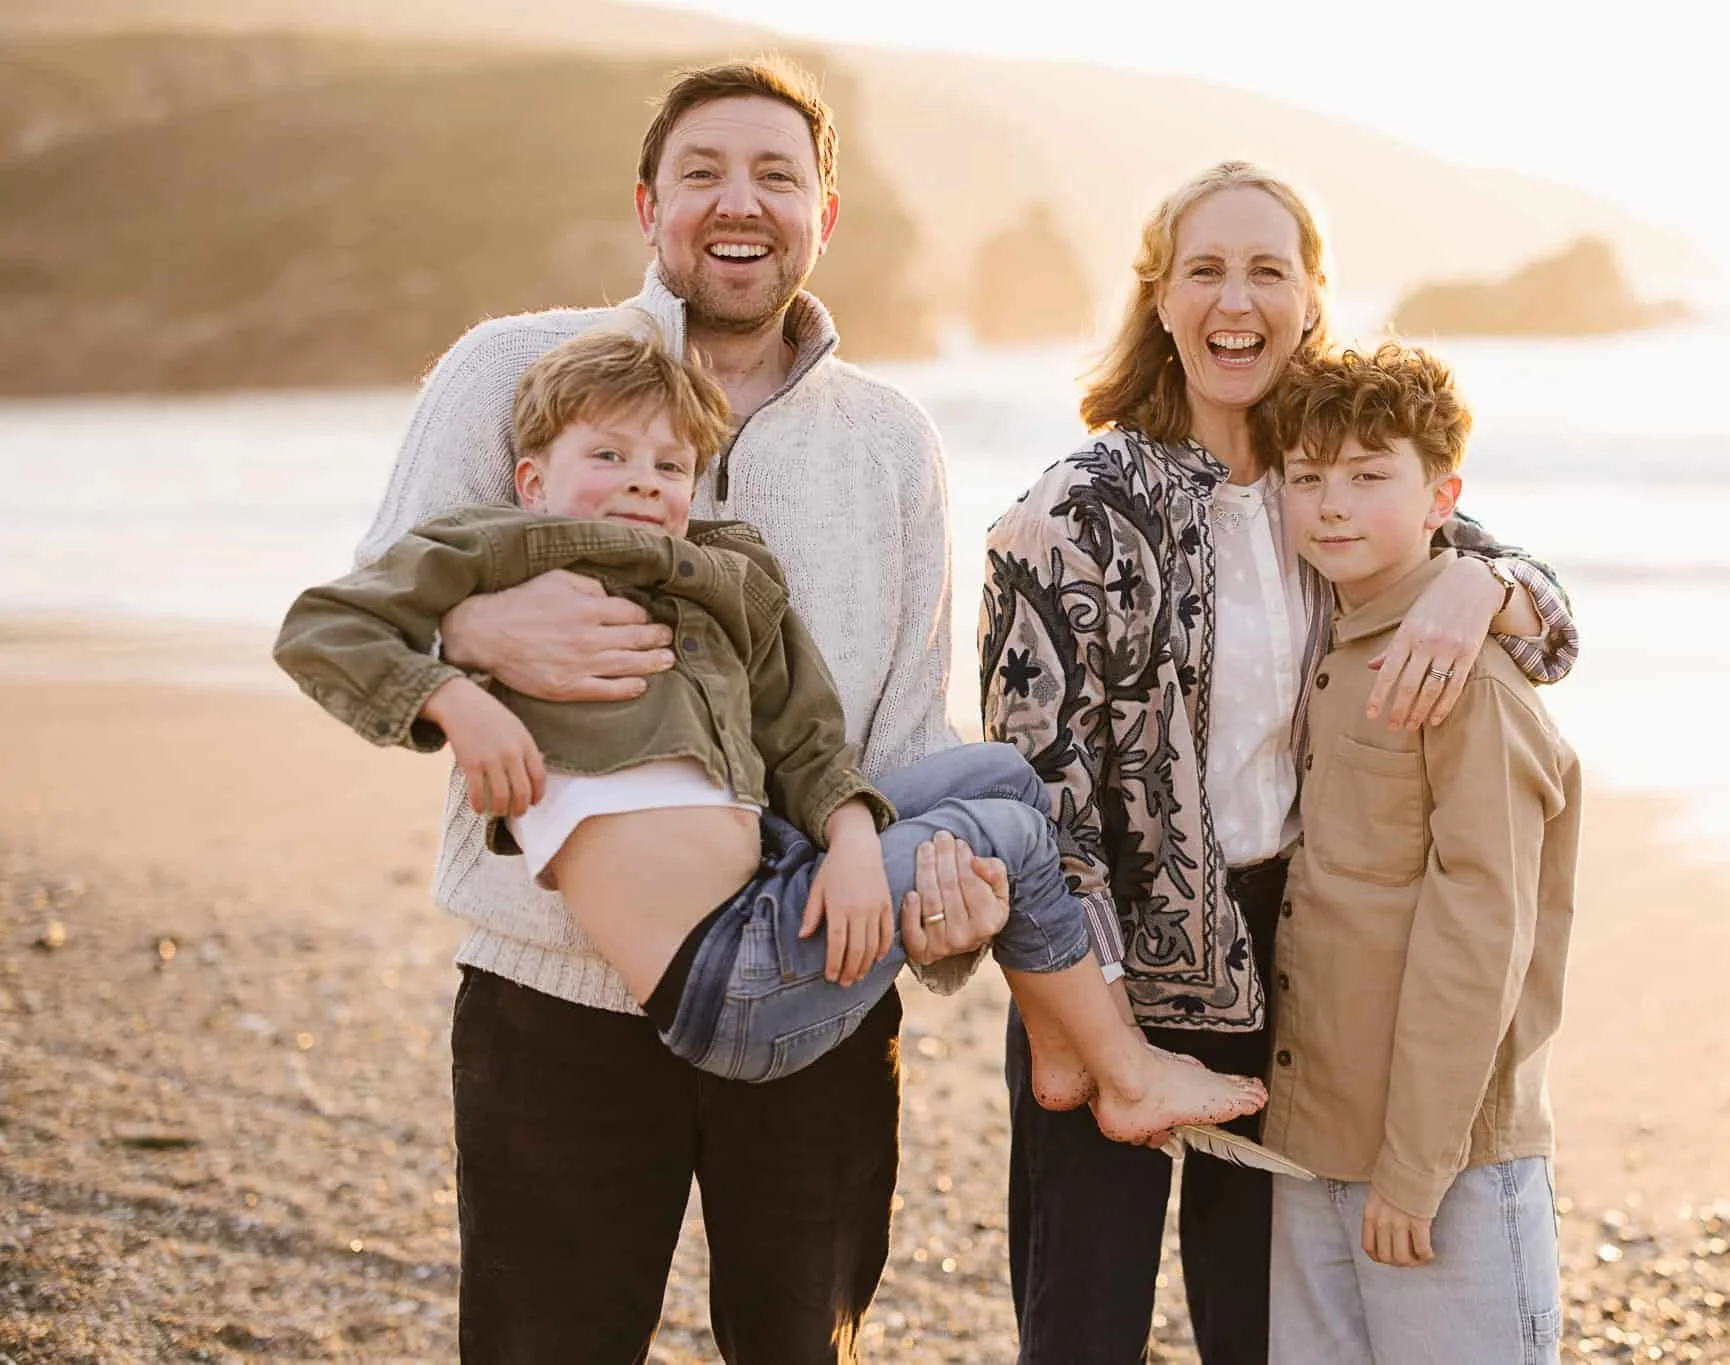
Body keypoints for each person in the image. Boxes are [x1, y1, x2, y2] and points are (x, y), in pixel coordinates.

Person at [348, 55, 982, 1363]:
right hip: (555, 998)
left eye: (774, 175)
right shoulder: (511, 370)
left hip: (820, 991)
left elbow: (911, 732)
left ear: (823, 214)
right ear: (649, 207)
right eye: (702, 173)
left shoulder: (891, 440)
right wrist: (473, 631)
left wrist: (941, 916)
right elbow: (373, 613)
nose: (738, 203)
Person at [276, 323, 1267, 1140]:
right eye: (607, 455)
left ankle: (1059, 1041)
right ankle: (1126, 1074)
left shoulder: (725, 574)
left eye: (669, 463)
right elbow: (322, 629)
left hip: (782, 878)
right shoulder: (497, 549)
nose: (640, 481)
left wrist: (850, 838)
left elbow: (803, 737)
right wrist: (457, 696)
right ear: (532, 481)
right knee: (1005, 833)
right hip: (727, 981)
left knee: (1005, 776)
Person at [979, 161, 1581, 1363]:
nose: (1233, 299)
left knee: (1257, 1332)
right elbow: (1033, 801)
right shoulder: (1074, 509)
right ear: (1159, 299)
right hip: (1106, 961)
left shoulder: (1328, 485)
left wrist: (1486, 582)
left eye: (1267, 270)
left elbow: (1549, 631)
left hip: (1286, 966)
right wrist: (1083, 1025)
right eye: (1202, 270)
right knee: (1081, 1327)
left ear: (1310, 298)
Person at [1261, 342, 1578, 1363]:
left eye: (1367, 476)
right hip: (1312, 1145)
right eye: (1306, 477)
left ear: (1443, 497)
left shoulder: (1464, 676)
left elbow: (1481, 934)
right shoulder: (1325, 641)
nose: (1331, 505)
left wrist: (1413, 1166)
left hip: (1442, 1167)